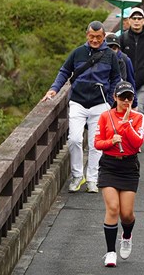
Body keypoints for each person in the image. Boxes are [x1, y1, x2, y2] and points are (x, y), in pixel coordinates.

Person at [42, 21, 121, 194]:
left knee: (95, 144)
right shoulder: (78, 52)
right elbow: (64, 71)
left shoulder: (110, 55)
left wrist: (110, 100)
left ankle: (92, 178)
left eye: (98, 37)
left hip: (100, 104)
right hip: (78, 101)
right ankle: (78, 176)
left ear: (103, 37)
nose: (94, 40)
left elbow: (116, 78)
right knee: (75, 139)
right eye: (91, 37)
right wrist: (54, 89)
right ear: (87, 35)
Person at [94, 81, 144, 267]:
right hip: (109, 165)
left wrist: (126, 125)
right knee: (113, 208)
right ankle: (110, 252)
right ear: (114, 98)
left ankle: (127, 235)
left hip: (129, 167)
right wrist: (111, 141)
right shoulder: (105, 116)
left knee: (127, 214)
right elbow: (98, 143)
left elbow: (137, 143)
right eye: (121, 97)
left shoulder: (138, 117)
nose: (125, 101)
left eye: (129, 97)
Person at [105, 32, 138, 109]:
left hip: (120, 99)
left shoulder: (125, 60)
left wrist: (134, 104)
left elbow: (131, 82)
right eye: (109, 47)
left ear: (118, 49)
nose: (112, 51)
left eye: (114, 48)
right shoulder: (100, 58)